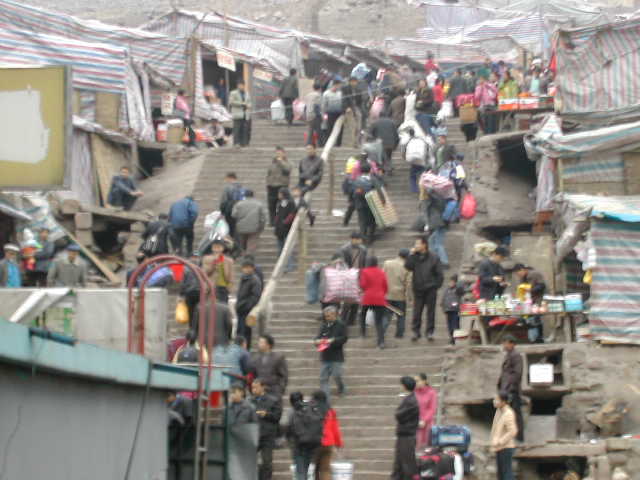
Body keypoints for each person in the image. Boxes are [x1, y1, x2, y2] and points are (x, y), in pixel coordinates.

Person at [405, 235, 444, 342]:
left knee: (430, 312)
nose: (416, 246)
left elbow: (439, 274)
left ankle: (429, 332)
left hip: (430, 288)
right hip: (418, 288)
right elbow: (408, 266)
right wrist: (411, 254)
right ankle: (415, 332)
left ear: (424, 245)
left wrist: (436, 285)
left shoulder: (434, 257)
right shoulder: (414, 257)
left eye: (418, 243)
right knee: (417, 311)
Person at [286, 392, 323, 480]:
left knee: (300, 470)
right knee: (306, 467)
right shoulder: (311, 408)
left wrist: (288, 440)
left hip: (298, 443)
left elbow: (285, 425)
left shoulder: (292, 411)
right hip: (312, 443)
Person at [251, 378, 282, 480]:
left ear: (263, 387)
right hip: (252, 435)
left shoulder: (273, 400)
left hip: (267, 436)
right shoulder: (249, 401)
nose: (253, 390)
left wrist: (266, 414)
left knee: (267, 462)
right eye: (252, 388)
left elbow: (277, 416)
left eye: (256, 387)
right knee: (249, 460)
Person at [315, 305, 348, 400]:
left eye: (329, 316)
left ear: (335, 315)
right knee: (323, 378)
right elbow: (318, 337)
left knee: (337, 375)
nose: (327, 318)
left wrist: (332, 340)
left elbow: (344, 338)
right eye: (326, 316)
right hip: (325, 356)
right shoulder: (324, 325)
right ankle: (326, 398)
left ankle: (341, 388)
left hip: (336, 356)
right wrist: (317, 341)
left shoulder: (341, 325)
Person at [391, 376, 420, 480]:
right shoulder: (409, 399)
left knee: (406, 463)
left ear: (404, 386)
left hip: (408, 436)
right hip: (403, 436)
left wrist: (398, 412)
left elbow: (399, 415)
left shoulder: (411, 401)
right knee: (398, 463)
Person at [337, 232, 368, 326]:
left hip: (359, 275)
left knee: (357, 298)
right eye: (358, 239)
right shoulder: (344, 249)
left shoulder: (363, 249)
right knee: (348, 299)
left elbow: (365, 263)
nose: (360, 241)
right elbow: (341, 264)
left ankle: (351, 320)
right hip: (348, 276)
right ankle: (343, 319)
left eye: (360, 239)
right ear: (352, 239)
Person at [311, 390, 343, 480]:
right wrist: (338, 443)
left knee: (315, 469)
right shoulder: (330, 411)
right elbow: (335, 429)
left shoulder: (311, 410)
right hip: (329, 443)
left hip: (315, 442)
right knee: (325, 469)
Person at [498, 335, 524, 443]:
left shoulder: (516, 356)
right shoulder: (509, 355)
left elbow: (517, 374)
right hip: (506, 389)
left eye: (506, 343)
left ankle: (519, 437)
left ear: (512, 344)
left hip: (512, 390)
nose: (504, 345)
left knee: (515, 414)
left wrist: (510, 387)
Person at [359, 256, 389, 348]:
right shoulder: (381, 272)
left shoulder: (364, 271)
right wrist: (382, 293)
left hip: (368, 297)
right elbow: (385, 285)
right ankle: (381, 342)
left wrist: (366, 290)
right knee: (379, 321)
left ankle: (363, 333)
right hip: (380, 298)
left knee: (362, 315)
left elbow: (363, 285)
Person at [513, 263, 547, 342]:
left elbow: (542, 286)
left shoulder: (534, 274)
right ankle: (533, 339)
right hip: (528, 302)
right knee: (529, 320)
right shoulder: (522, 278)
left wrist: (531, 290)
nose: (518, 275)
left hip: (538, 300)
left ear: (522, 270)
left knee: (536, 319)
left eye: (518, 273)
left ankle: (539, 339)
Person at [250, 334, 289, 401]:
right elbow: (253, 375)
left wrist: (280, 390)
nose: (259, 344)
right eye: (259, 342)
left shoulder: (278, 358)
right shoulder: (255, 359)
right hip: (260, 392)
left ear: (268, 345)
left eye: (261, 342)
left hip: (274, 391)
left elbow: (283, 376)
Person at [383, 248, 411, 339]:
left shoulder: (387, 263)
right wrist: (409, 297)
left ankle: (381, 332)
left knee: (386, 315)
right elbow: (408, 283)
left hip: (387, 294)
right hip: (400, 296)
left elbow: (382, 276)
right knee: (401, 315)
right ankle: (399, 335)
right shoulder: (407, 267)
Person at [352, 163, 382, 244]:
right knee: (372, 221)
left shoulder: (356, 180)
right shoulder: (373, 179)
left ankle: (363, 238)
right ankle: (370, 238)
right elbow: (379, 190)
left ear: (360, 171)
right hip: (371, 203)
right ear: (370, 170)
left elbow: (353, 193)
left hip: (360, 205)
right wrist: (383, 201)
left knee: (362, 222)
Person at [236, 259, 263, 349]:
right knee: (240, 331)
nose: (246, 270)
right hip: (240, 309)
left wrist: (246, 306)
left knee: (246, 332)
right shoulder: (243, 278)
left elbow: (255, 297)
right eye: (244, 268)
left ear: (252, 268)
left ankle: (246, 350)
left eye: (248, 268)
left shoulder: (255, 280)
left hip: (246, 310)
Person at [491, 392, 518, 480]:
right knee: (501, 474)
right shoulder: (499, 411)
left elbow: (513, 431)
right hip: (499, 447)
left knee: (507, 473)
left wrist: (500, 441)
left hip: (506, 447)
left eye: (497, 399)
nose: (494, 401)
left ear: (503, 402)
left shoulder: (508, 413)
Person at [231, 190, 267, 255]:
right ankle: (249, 255)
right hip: (254, 227)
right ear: (253, 195)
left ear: (244, 195)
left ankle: (243, 253)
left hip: (241, 227)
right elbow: (263, 218)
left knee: (242, 241)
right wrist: (261, 226)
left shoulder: (239, 204)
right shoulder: (259, 204)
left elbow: (234, 215)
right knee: (252, 242)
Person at [202, 239, 235, 303]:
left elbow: (231, 276)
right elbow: (205, 273)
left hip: (223, 288)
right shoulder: (207, 258)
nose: (217, 250)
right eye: (215, 247)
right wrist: (213, 264)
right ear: (212, 248)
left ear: (222, 248)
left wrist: (230, 288)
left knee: (223, 306)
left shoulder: (229, 260)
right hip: (211, 287)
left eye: (219, 247)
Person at [266, 146, 292, 226]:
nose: (278, 155)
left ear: (284, 153)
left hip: (282, 187)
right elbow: (268, 174)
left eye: (280, 153)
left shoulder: (287, 162)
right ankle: (272, 222)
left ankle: (281, 221)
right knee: (271, 206)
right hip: (271, 186)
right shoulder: (272, 163)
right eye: (277, 153)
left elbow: (287, 170)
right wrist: (268, 183)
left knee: (282, 205)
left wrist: (281, 161)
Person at [424, 188, 449, 268]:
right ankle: (434, 261)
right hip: (438, 224)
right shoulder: (438, 200)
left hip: (438, 224)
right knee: (431, 241)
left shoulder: (438, 200)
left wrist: (429, 192)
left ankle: (445, 262)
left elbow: (434, 198)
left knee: (438, 244)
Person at [274, 188, 297, 272]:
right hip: (279, 228)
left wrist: (285, 222)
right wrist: (276, 222)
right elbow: (277, 213)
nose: (278, 195)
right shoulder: (279, 203)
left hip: (287, 228)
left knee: (287, 248)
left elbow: (292, 214)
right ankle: (281, 266)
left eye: (280, 193)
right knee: (280, 248)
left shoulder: (291, 202)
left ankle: (290, 266)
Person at [414, 373, 438, 450]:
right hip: (415, 422)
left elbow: (432, 408)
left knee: (427, 446)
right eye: (414, 381)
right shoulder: (414, 392)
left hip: (427, 423)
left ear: (424, 381)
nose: (415, 383)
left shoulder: (431, 392)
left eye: (417, 381)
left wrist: (424, 420)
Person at [219, 172, 245, 238]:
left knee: (231, 228)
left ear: (230, 178)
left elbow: (224, 201)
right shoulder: (241, 187)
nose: (226, 180)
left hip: (230, 211)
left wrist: (222, 212)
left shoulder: (227, 188)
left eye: (226, 179)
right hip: (240, 210)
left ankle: (233, 241)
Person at [404, 128, 429, 194]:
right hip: (421, 160)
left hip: (413, 161)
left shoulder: (408, 141)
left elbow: (404, 150)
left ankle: (414, 189)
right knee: (423, 175)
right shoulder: (420, 140)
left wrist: (405, 158)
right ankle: (424, 188)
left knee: (412, 176)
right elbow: (426, 149)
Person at [441, 274, 465, 344]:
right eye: (450, 282)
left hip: (455, 309)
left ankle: (455, 338)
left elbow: (461, 290)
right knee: (449, 325)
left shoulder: (457, 289)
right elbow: (444, 298)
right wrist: (443, 306)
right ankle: (451, 337)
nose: (451, 283)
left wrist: (459, 282)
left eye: (453, 282)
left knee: (455, 325)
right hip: (448, 310)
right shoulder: (447, 290)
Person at [321, 77, 344, 146]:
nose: (339, 87)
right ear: (334, 85)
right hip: (330, 113)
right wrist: (323, 114)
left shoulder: (341, 93)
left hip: (339, 113)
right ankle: (329, 143)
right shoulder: (326, 93)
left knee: (340, 129)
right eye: (338, 85)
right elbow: (323, 105)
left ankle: (338, 144)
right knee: (330, 128)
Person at [229, 81, 252, 147]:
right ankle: (236, 143)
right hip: (237, 114)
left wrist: (249, 105)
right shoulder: (233, 93)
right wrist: (242, 104)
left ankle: (244, 143)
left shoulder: (246, 93)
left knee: (244, 129)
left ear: (244, 85)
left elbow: (249, 102)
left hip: (245, 114)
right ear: (238, 85)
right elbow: (231, 102)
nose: (241, 86)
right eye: (240, 85)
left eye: (242, 85)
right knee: (237, 129)